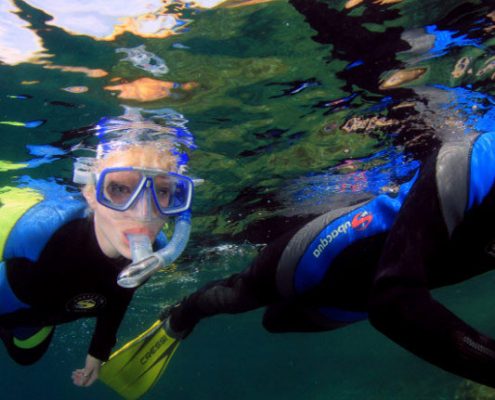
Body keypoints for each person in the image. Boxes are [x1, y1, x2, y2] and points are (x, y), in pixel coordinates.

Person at [164, 131, 495, 388]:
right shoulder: (473, 160)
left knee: (276, 323)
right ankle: (184, 313)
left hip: (350, 307)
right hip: (321, 255)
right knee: (241, 295)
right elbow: (393, 302)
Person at [0, 136, 194, 387]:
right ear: (90, 193)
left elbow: (120, 295)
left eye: (162, 191)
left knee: (27, 357)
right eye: (121, 188)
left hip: (38, 322)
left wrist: (98, 353)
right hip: (13, 306)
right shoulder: (45, 238)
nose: (144, 212)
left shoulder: (153, 251)